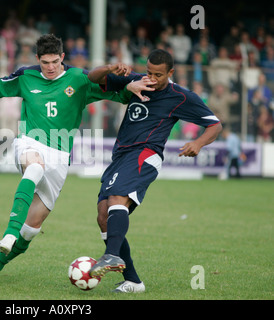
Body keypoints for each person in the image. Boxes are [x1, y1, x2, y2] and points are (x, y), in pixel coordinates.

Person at [0, 34, 136, 284]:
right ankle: (9, 233)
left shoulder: (78, 79)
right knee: (33, 167)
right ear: (38, 59)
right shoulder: (25, 76)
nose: (51, 67)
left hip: (59, 158)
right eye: (45, 62)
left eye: (55, 61)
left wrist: (131, 89)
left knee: (32, 228)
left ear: (62, 57)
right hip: (29, 142)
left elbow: (115, 93)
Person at [87, 49, 222, 293]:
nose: (152, 78)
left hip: (146, 154)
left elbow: (214, 124)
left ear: (170, 73)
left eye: (158, 74)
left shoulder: (181, 97)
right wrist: (109, 68)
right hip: (120, 155)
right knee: (103, 216)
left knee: (118, 198)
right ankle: (133, 282)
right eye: (149, 72)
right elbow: (92, 79)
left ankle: (110, 255)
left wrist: (198, 143)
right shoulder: (136, 81)